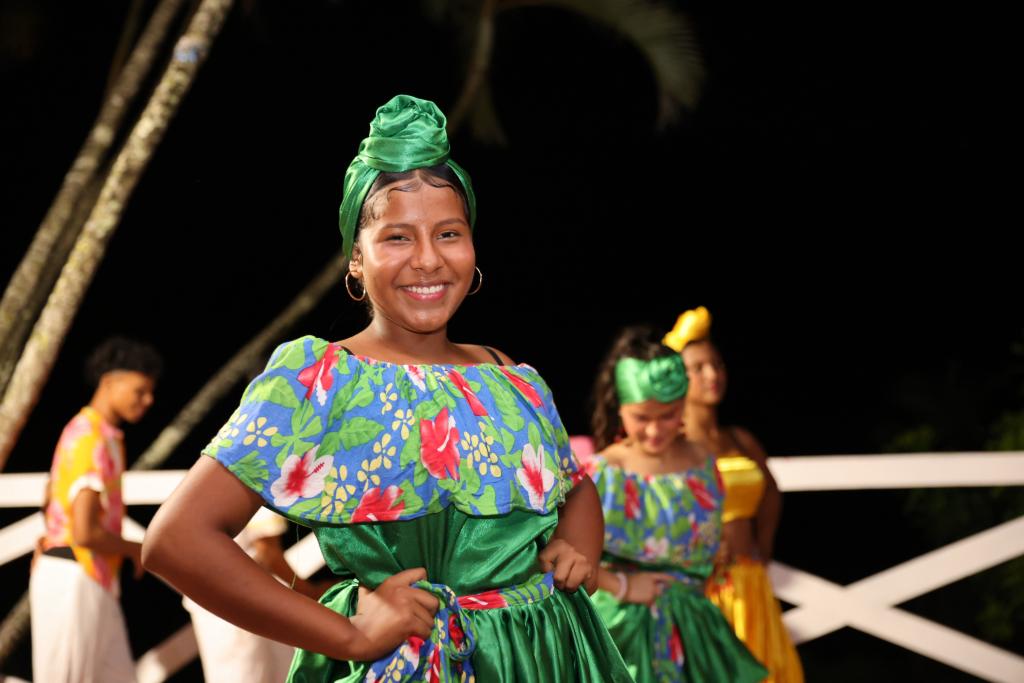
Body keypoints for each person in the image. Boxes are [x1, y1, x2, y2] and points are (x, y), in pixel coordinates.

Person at [142, 94, 631, 681]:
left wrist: (578, 547)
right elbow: (176, 540)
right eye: (398, 237)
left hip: (544, 657)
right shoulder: (321, 380)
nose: (428, 259)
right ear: (356, 258)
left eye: (448, 233)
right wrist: (348, 635)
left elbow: (575, 487)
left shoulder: (510, 376)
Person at [587, 325, 767, 682]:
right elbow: (569, 557)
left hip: (692, 630)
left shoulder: (702, 463)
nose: (655, 430)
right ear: (620, 408)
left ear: (684, 404)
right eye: (642, 417)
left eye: (668, 415)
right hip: (622, 630)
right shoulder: (603, 472)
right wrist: (622, 585)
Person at [664, 306, 803, 682]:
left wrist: (764, 544)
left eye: (718, 365)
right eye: (699, 368)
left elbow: (770, 491)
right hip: (702, 585)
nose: (713, 375)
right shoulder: (672, 443)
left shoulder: (741, 439)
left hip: (750, 581)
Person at [31, 337, 161, 683]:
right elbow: (85, 531)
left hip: (93, 577)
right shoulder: (90, 436)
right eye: (140, 391)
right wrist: (137, 549)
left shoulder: (102, 435)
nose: (148, 400)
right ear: (109, 382)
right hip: (72, 575)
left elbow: (51, 497)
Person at [184, 507, 329, 682]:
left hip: (212, 601)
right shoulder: (252, 490)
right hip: (244, 604)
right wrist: (310, 592)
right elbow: (267, 551)